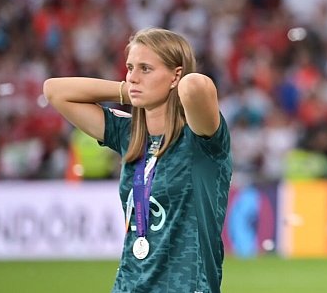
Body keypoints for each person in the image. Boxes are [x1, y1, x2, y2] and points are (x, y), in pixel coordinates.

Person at [43, 28, 232, 293]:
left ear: (176, 75)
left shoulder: (202, 139)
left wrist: (180, 81)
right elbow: (54, 91)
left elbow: (195, 87)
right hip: (129, 286)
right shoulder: (128, 133)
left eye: (145, 69)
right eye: (130, 68)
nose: (133, 77)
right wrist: (126, 90)